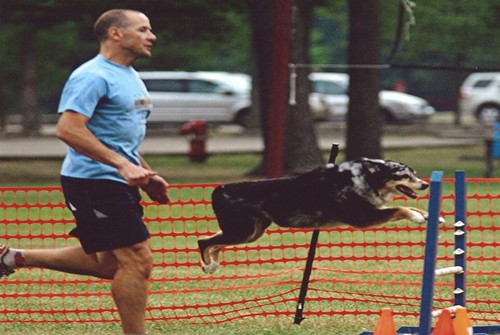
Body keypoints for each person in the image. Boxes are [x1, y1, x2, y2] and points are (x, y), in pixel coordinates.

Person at [0, 9, 168, 335]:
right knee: (138, 261)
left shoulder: (130, 75)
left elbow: (120, 139)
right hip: (94, 181)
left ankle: (14, 258)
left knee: (107, 264)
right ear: (116, 33)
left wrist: (146, 174)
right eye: (143, 29)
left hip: (115, 180)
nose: (152, 36)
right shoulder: (92, 76)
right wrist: (122, 165)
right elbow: (68, 129)